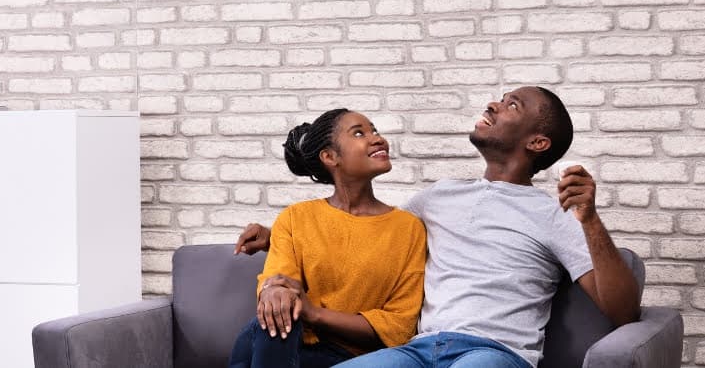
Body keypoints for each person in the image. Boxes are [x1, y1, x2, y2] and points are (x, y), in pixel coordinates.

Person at [235, 86, 639, 368]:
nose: (493, 105)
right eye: (499, 99)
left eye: (511, 105)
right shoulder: (438, 197)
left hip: (493, 352)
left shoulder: (553, 215)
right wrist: (277, 239)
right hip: (417, 350)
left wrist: (590, 219)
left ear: (537, 142)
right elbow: (367, 228)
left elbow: (622, 311)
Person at [228, 108, 428, 368]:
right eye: (359, 133)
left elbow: (399, 325)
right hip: (280, 341)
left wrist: (315, 314)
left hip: (347, 358)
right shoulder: (295, 218)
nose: (377, 138)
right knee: (280, 309)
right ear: (330, 156)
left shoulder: (408, 229)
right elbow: (278, 286)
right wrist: (273, 291)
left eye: (375, 130)